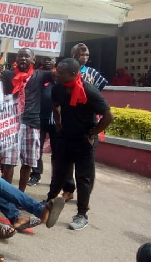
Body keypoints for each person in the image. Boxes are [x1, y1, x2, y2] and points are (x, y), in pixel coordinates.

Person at [46, 58, 113, 230]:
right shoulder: (58, 87)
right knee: (59, 172)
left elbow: (108, 116)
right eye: (57, 70)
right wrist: (59, 124)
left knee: (83, 177)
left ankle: (82, 214)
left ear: (74, 74)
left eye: (61, 72)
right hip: (66, 136)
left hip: (84, 139)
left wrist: (93, 133)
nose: (56, 73)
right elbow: (55, 105)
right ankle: (49, 202)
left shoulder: (89, 91)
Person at [0, 48, 52, 192]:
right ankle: (6, 195)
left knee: (28, 162)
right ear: (16, 59)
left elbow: (60, 73)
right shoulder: (7, 75)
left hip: (31, 123)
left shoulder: (40, 75)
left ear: (33, 60)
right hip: (11, 123)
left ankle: (20, 195)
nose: (23, 58)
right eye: (20, 56)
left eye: (26, 56)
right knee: (8, 162)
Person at [28, 56, 56, 186]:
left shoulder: (59, 75)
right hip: (38, 117)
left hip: (56, 119)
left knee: (57, 150)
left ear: (55, 61)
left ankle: (56, 178)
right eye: (45, 59)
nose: (47, 61)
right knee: (36, 148)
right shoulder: (36, 75)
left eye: (50, 59)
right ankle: (35, 174)